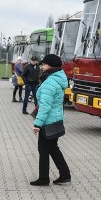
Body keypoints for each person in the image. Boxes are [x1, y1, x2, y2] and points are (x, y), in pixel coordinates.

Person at [30, 54, 71, 186]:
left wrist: (37, 123)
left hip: (47, 122)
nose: (42, 66)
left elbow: (45, 106)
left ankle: (43, 178)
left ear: (50, 66)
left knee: (43, 149)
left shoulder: (50, 82)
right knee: (53, 148)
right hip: (56, 119)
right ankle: (65, 175)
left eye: (44, 64)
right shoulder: (58, 78)